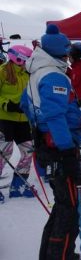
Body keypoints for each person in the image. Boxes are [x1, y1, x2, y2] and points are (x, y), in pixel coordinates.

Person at [20, 24, 81, 260]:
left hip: (49, 146)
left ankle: (52, 254)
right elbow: (55, 115)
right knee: (71, 205)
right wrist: (67, 150)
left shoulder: (37, 69)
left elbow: (25, 103)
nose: (69, 55)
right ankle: (62, 256)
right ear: (60, 51)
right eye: (67, 51)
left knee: (63, 205)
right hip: (59, 150)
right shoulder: (53, 75)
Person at [0, 45, 34, 203]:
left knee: (28, 151)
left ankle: (18, 185)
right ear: (17, 58)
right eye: (25, 60)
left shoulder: (28, 74)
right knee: (4, 154)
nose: (27, 63)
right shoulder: (2, 71)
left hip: (23, 120)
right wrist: (7, 104)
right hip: (4, 119)